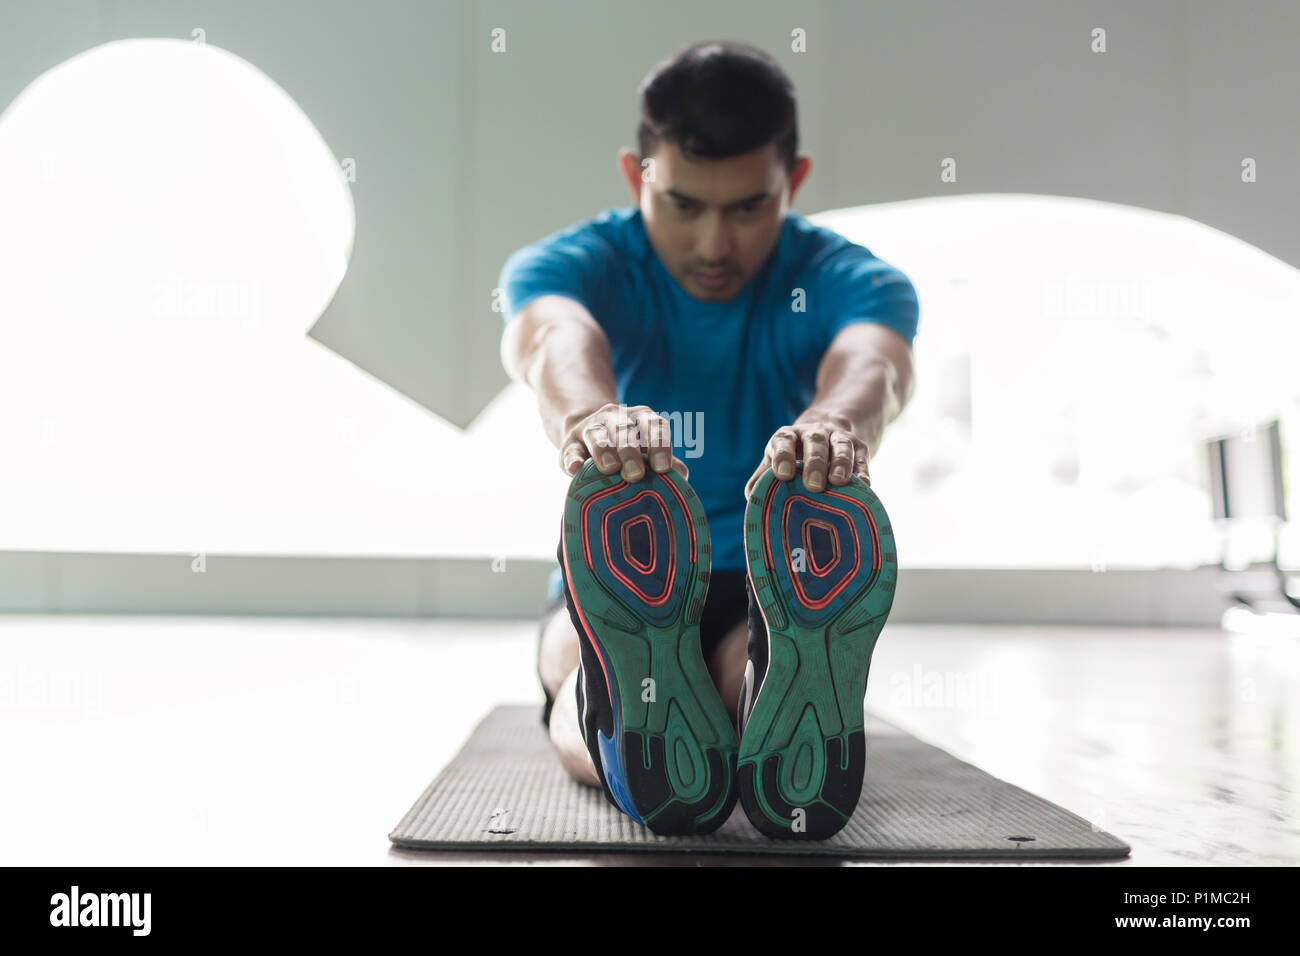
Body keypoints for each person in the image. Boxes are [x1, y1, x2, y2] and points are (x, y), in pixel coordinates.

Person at [495, 40, 918, 839]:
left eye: (748, 207)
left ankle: (723, 716)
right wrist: (592, 420)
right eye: (684, 205)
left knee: (702, 676)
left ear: (792, 182)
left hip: (766, 572)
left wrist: (832, 425)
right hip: (627, 561)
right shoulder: (578, 262)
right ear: (636, 176)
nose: (714, 245)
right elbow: (551, 340)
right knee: (584, 657)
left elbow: (875, 367)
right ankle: (679, 721)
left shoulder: (848, 278)